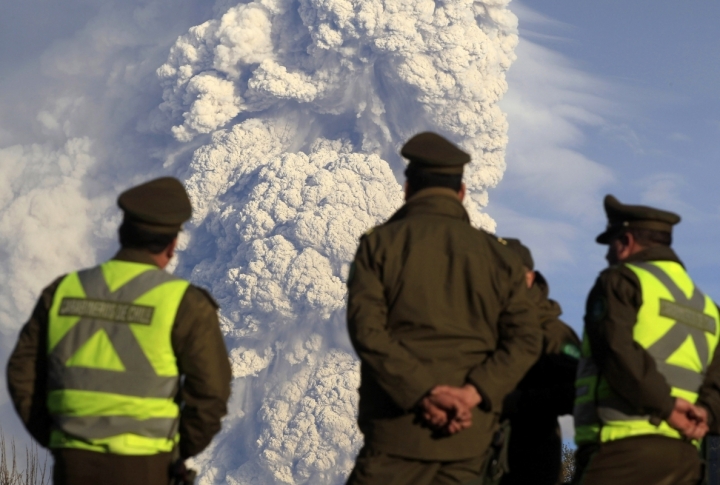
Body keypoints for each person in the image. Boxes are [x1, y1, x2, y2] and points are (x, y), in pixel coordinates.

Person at [345, 132, 543, 485]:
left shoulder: (380, 246)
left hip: (396, 430)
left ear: (407, 188)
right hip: (469, 437)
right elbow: (526, 339)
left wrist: (423, 391)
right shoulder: (501, 258)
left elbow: (367, 331)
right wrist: (472, 393)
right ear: (462, 192)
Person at [6, 177, 232, 485]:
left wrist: (58, 437)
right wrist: (175, 451)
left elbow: (22, 371)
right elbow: (211, 394)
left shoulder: (62, 292)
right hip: (147, 468)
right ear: (172, 245)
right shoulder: (185, 304)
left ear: (122, 233)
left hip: (71, 466)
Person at [572, 194, 720, 485]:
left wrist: (665, 407)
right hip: (685, 458)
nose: (607, 256)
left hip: (621, 447)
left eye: (611, 245)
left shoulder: (620, 281)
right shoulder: (708, 307)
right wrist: (704, 415)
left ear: (625, 241)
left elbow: (616, 351)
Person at [499, 239, 580, 485]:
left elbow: (576, 391)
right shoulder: (480, 324)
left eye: (506, 272)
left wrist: (516, 402)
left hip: (530, 463)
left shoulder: (553, 332)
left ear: (529, 278)